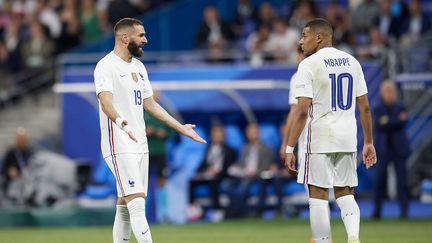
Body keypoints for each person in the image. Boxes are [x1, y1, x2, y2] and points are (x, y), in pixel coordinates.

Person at [93, 18, 206, 243]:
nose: (146, 40)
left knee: (125, 204)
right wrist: (122, 124)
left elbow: (151, 104)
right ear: (125, 38)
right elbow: (106, 103)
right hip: (119, 143)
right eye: (141, 35)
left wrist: (181, 128)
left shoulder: (139, 67)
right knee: (137, 203)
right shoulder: (105, 66)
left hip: (140, 143)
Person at [284, 19, 377, 243]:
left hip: (318, 138)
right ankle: (353, 236)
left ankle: (324, 241)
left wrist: (289, 147)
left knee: (318, 196)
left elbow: (302, 111)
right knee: (345, 193)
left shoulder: (308, 65)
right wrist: (368, 142)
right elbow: (364, 107)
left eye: (304, 36)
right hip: (347, 138)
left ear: (319, 37)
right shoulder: (352, 62)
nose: (300, 41)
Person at [372, 81, 410, 219]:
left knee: (403, 181)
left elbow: (403, 122)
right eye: (387, 91)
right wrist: (395, 120)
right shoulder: (377, 108)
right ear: (382, 93)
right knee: (379, 181)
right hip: (383, 148)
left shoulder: (401, 106)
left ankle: (404, 212)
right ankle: (377, 211)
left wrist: (388, 121)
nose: (390, 95)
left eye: (392, 91)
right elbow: (379, 124)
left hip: (399, 148)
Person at [227, 123, 276, 217]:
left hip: (258, 175)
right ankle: (235, 210)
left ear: (259, 133)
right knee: (227, 185)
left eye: (255, 131)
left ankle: (238, 213)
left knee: (243, 187)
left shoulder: (266, 148)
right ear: (247, 134)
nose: (253, 134)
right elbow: (241, 164)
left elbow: (266, 165)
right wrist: (237, 167)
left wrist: (254, 172)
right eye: (250, 132)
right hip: (244, 174)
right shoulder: (245, 148)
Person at [189, 124, 236, 210]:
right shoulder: (208, 148)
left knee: (213, 182)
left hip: (222, 176)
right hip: (208, 175)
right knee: (192, 182)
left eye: (219, 134)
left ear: (223, 136)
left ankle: (217, 209)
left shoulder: (230, 151)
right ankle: (192, 207)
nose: (216, 136)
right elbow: (204, 163)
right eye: (214, 134)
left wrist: (218, 171)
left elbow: (230, 166)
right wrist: (201, 171)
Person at [144, 90, 174, 223]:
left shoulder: (165, 112)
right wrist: (144, 131)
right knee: (145, 183)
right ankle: (143, 214)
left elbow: (173, 131)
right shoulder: (141, 112)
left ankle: (164, 214)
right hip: (146, 152)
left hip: (161, 152)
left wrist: (165, 133)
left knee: (162, 181)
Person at [1, 127, 33, 199]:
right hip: (14, 186)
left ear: (26, 140)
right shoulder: (10, 153)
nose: (21, 141)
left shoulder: (31, 153)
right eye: (19, 139)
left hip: (29, 184)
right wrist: (9, 172)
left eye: (23, 139)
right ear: (16, 140)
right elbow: (3, 170)